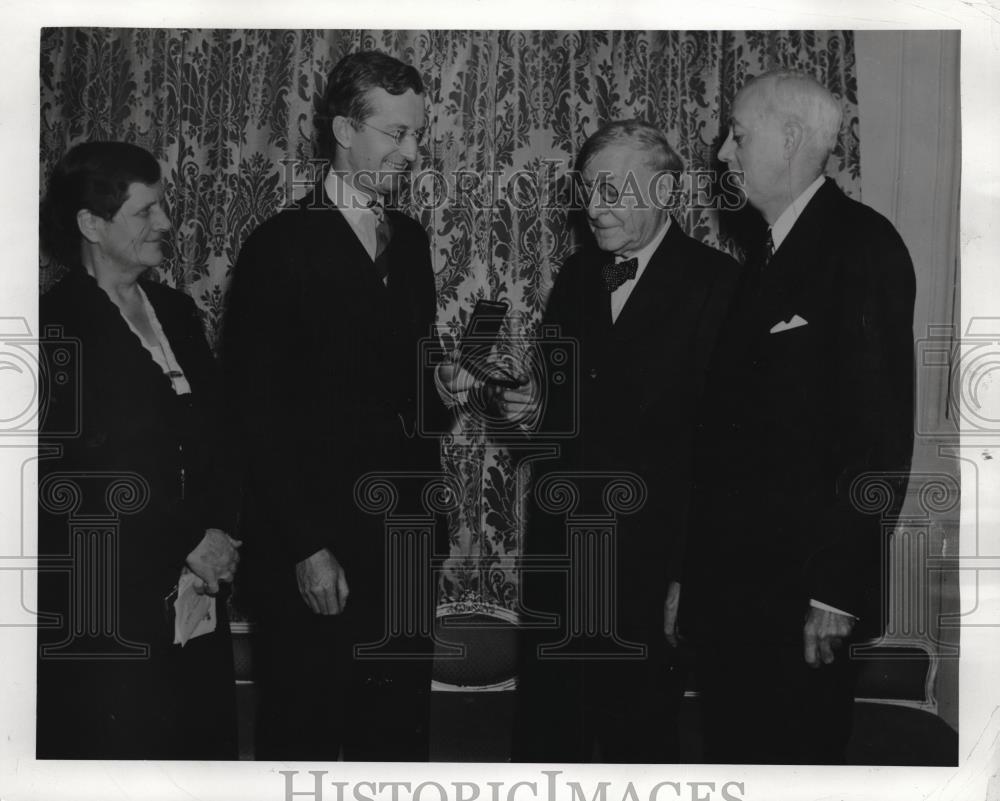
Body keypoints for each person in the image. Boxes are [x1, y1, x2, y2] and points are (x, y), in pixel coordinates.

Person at [681, 69, 916, 764]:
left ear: (789, 139)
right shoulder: (764, 252)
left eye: (737, 135)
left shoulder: (860, 246)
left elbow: (877, 435)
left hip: (801, 597)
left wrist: (838, 591)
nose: (723, 152)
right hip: (738, 596)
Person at [222, 50, 452, 761]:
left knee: (397, 736)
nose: (412, 153)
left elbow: (411, 395)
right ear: (343, 131)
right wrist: (304, 546)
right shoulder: (278, 246)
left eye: (417, 135)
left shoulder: (408, 241)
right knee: (307, 730)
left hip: (405, 541)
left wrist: (449, 387)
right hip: (317, 551)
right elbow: (252, 415)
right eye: (397, 134)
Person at [506, 120, 739, 762]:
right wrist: (528, 408)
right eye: (587, 190)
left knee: (639, 742)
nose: (595, 206)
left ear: (665, 190)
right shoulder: (580, 275)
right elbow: (559, 415)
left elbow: (723, 455)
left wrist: (689, 576)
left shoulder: (720, 287)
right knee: (550, 738)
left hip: (648, 569)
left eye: (613, 189)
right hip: (560, 558)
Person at [37, 141, 241, 759]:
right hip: (109, 594)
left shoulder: (176, 312)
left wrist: (219, 532)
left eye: (163, 206)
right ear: (91, 225)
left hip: (196, 586)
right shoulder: (55, 327)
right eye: (145, 211)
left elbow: (219, 434)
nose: (165, 223)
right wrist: (188, 538)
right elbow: (80, 473)